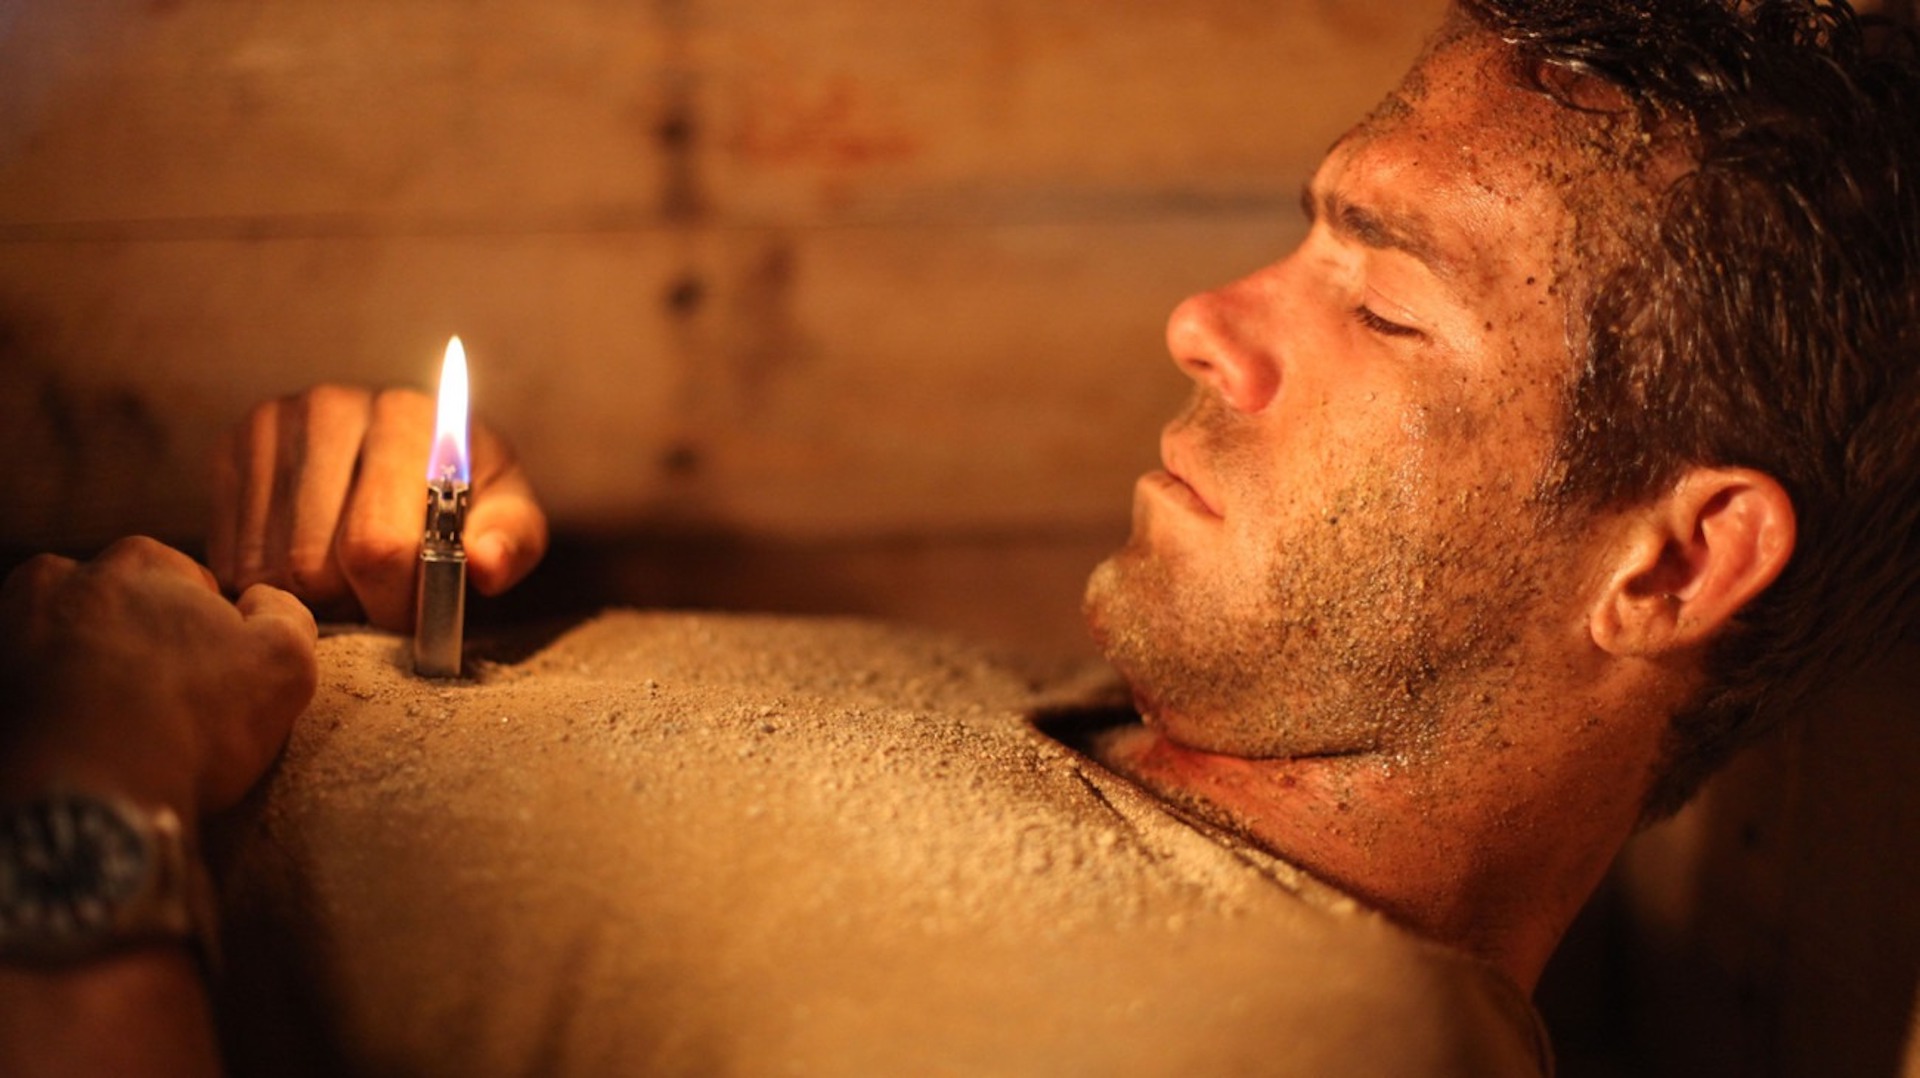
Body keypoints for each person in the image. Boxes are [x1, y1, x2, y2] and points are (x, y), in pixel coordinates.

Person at [4, 0, 1917, 1073]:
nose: (1210, 317)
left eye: (1388, 303)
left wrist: (89, 791)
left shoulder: (1286, 1046)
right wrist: (382, 594)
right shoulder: (1121, 718)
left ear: (1671, 564)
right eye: (1307, 232)